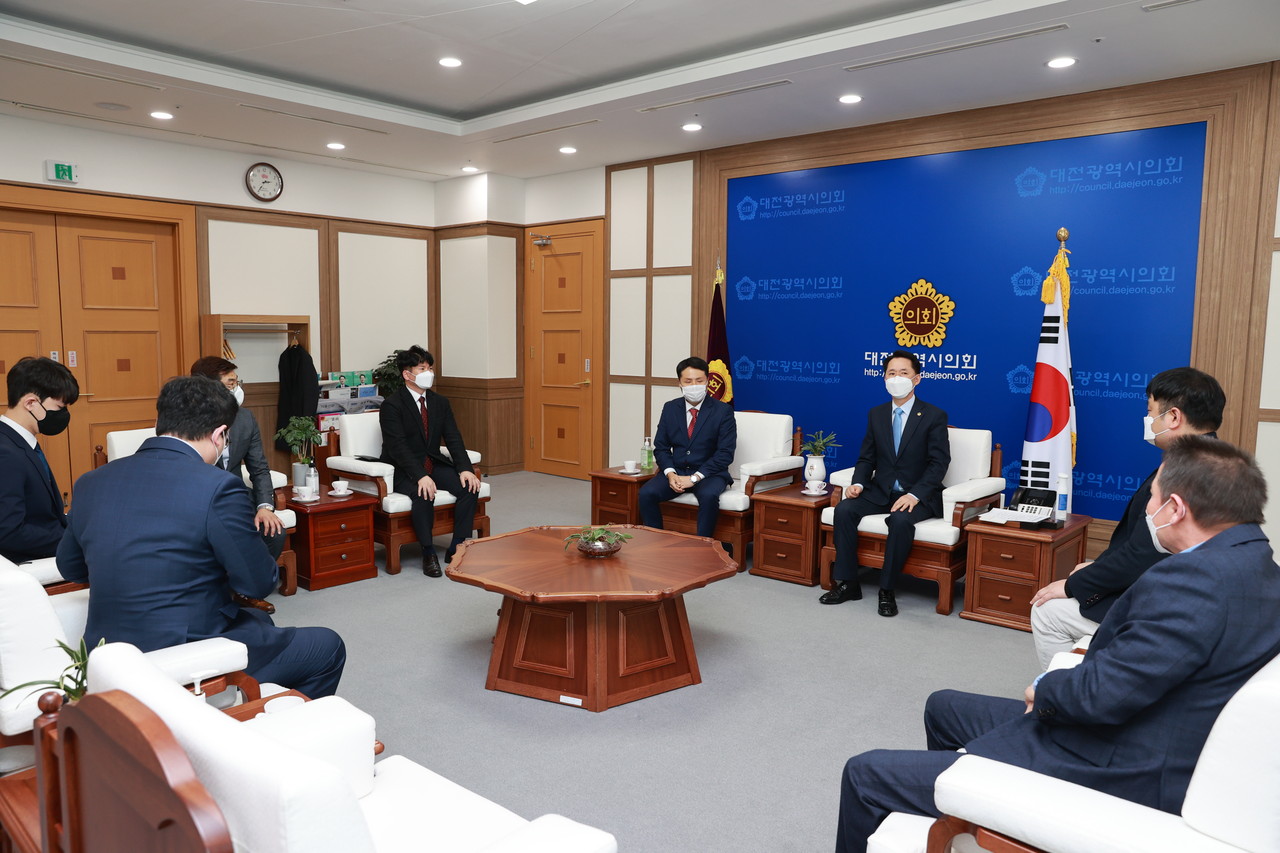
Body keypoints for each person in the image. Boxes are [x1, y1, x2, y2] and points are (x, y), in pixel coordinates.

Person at [835, 436, 1280, 853]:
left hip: (1111, 761)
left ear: (1176, 508)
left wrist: (1044, 692)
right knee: (943, 706)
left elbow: (1101, 697)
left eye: (1153, 496)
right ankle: (957, 816)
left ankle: (973, 792)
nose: (1149, 505)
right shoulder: (1256, 566)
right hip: (1136, 729)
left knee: (864, 772)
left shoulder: (1193, 582)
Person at [57, 375, 345, 698]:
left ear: (159, 421)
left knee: (257, 623)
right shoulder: (217, 487)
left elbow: (70, 567)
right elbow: (257, 583)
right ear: (220, 435)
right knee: (328, 647)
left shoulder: (91, 482)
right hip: (184, 654)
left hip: (107, 653)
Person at [1029, 367, 1224, 667]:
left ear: (1173, 417)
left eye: (1150, 412)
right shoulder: (1217, 459)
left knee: (1046, 610)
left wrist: (1073, 585)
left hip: (1161, 608)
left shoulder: (1182, 473)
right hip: (1182, 594)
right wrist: (1097, 566)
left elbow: (1144, 555)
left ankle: (1063, 702)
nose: (1148, 421)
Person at [821, 351, 949, 617]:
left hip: (917, 495)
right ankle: (849, 583)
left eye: (903, 373)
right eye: (891, 373)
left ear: (917, 379)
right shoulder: (876, 414)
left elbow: (939, 463)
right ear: (884, 379)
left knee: (900, 521)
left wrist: (915, 495)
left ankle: (887, 589)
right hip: (881, 490)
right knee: (844, 510)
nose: (897, 378)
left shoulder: (934, 415)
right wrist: (857, 483)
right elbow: (867, 457)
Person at [379, 345, 480, 576]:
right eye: (423, 368)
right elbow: (398, 448)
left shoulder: (439, 402)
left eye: (431, 368)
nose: (429, 373)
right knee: (424, 493)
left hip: (433, 462)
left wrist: (464, 469)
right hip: (404, 468)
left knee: (469, 487)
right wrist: (421, 476)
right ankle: (428, 552)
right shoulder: (392, 405)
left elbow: (453, 438)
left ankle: (457, 547)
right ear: (407, 374)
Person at [191, 356, 286, 560]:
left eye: (237, 382)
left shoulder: (245, 419)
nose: (236, 388)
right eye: (230, 383)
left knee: (274, 532)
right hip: (200, 501)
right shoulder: (188, 421)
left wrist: (264, 507)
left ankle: (249, 588)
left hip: (235, 497)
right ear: (209, 387)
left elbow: (259, 469)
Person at [639, 356, 737, 541]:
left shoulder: (723, 411)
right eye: (688, 381)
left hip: (710, 473)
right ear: (680, 383)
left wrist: (694, 478)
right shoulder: (670, 408)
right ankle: (655, 542)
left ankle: (702, 547)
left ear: (707, 381)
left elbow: (725, 453)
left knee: (708, 495)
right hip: (677, 471)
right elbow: (661, 447)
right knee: (646, 493)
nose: (694, 385)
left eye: (699, 381)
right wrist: (670, 474)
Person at [0, 357, 79, 563]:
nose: (63, 415)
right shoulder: (5, 453)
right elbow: (9, 532)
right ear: (31, 403)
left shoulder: (19, 441)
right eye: (60, 407)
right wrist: (76, 539)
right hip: (27, 565)